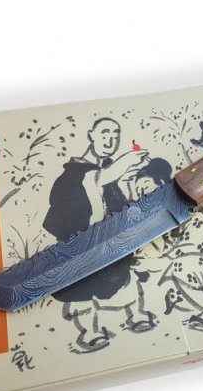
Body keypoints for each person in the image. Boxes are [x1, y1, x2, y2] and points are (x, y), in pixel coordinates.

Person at [42, 118, 150, 351]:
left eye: (115, 134)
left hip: (109, 241)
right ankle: (90, 331)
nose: (110, 139)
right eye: (104, 133)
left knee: (121, 277)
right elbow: (95, 180)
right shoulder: (75, 173)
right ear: (91, 135)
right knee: (84, 287)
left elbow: (113, 191)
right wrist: (125, 161)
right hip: (83, 239)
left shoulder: (106, 169)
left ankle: (134, 315)